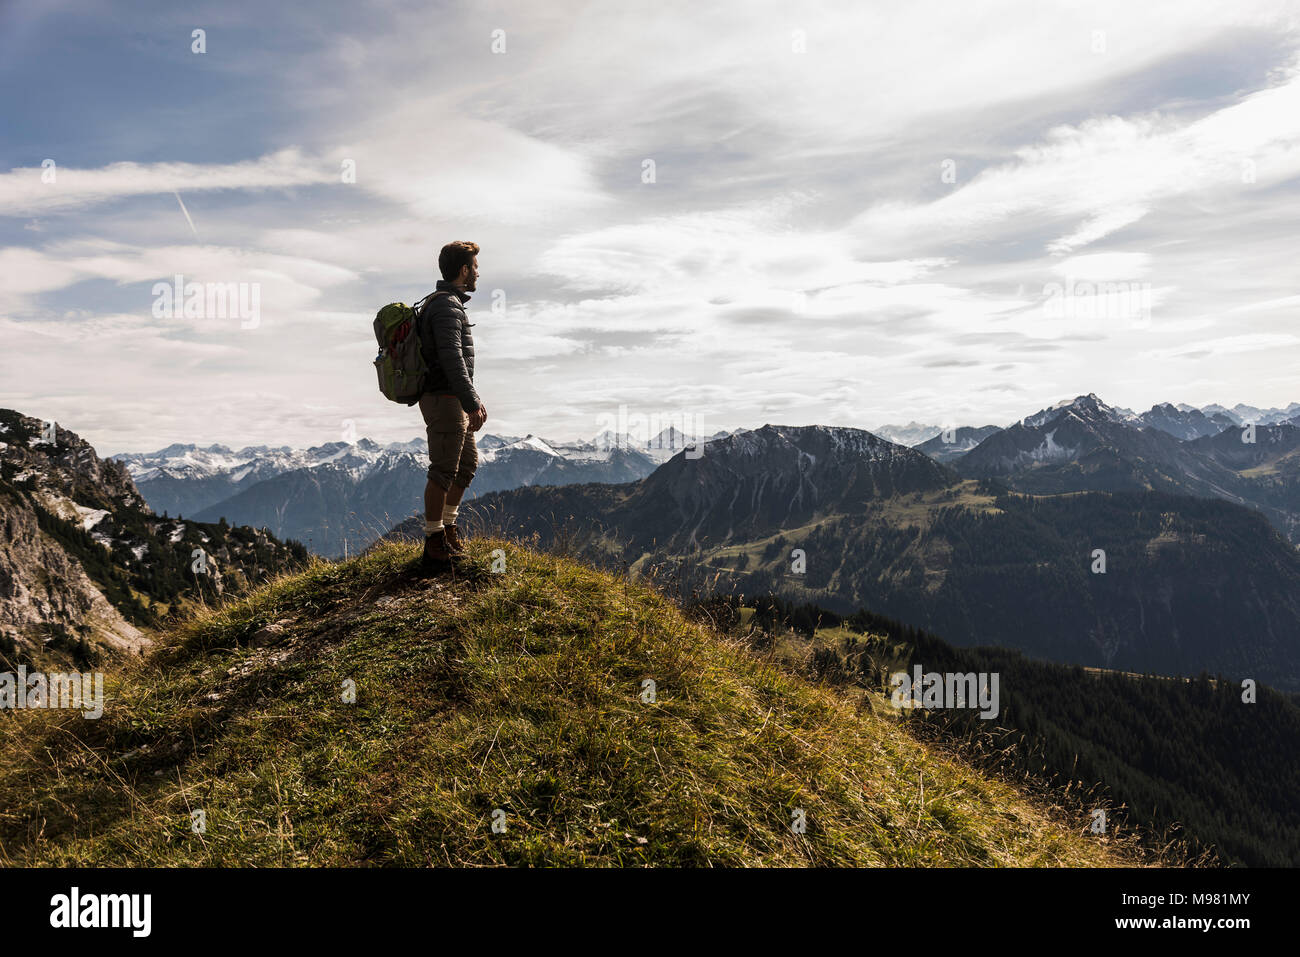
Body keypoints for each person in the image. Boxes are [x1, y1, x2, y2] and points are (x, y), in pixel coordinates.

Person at [416, 240, 487, 570]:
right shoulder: (446, 306)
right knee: (443, 469)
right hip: (444, 398)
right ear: (463, 270)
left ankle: (447, 528)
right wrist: (471, 401)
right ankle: (433, 541)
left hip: (452, 398)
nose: (477, 272)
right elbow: (451, 358)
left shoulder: (449, 304)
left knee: (467, 464)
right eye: (474, 266)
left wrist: (468, 399)